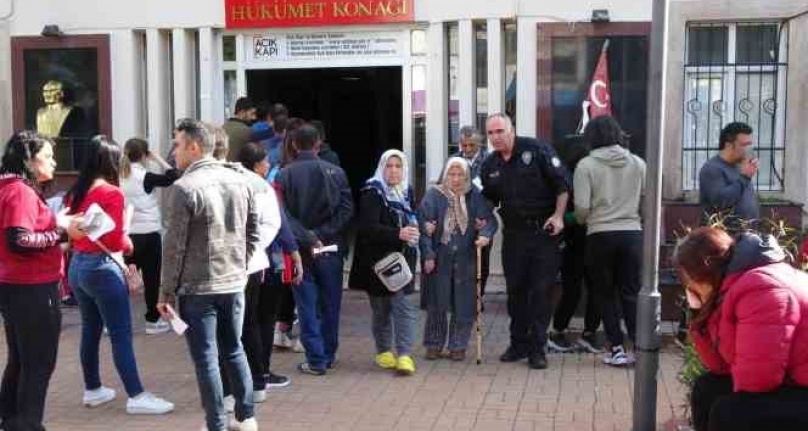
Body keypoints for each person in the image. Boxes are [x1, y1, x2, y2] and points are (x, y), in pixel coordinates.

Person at [157, 119, 260, 431]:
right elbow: (253, 231)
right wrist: (240, 263)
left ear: (194, 146)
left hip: (198, 286)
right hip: (232, 281)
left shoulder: (184, 187)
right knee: (234, 348)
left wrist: (166, 292)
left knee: (207, 358)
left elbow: (173, 247)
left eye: (176, 144)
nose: (172, 152)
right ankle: (246, 416)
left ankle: (217, 422)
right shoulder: (241, 180)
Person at [65, 135, 174, 415]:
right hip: (103, 267)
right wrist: (127, 239)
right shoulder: (111, 193)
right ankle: (136, 395)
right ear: (110, 161)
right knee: (120, 334)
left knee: (90, 330)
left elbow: (70, 231)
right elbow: (116, 242)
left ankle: (93, 389)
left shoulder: (76, 191)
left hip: (78, 266)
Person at [676, 227, 808, 431]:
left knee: (731, 413)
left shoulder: (762, 288)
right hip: (795, 383)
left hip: (800, 387)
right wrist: (698, 314)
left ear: (704, 273)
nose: (689, 287)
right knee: (708, 388)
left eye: (689, 279)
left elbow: (758, 381)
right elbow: (719, 367)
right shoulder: (736, 285)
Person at [0, 131, 83, 431]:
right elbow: (19, 239)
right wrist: (61, 234)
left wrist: (57, 230)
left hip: (18, 285)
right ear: (29, 160)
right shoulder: (19, 191)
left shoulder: (10, 187)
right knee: (37, 363)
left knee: (21, 360)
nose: (53, 161)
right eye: (47, 156)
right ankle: (27, 424)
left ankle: (12, 420)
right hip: (32, 287)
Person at [480, 113, 569, 370]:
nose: (496, 137)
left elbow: (562, 185)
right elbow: (489, 197)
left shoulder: (537, 150)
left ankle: (538, 348)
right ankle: (518, 343)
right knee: (516, 291)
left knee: (540, 292)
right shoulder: (490, 165)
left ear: (512, 130)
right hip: (515, 236)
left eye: (500, 131)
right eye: (491, 133)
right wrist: (482, 217)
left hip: (544, 234)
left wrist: (559, 216)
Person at [279, 124, 354, 375]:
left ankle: (316, 359)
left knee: (306, 305)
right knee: (330, 304)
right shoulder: (337, 172)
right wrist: (320, 235)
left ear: (294, 144)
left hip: (299, 250)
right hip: (330, 247)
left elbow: (284, 216)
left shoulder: (284, 174)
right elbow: (346, 210)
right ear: (318, 144)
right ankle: (328, 354)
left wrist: (307, 236)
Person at [573, 116, 646, 366]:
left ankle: (616, 348)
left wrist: (586, 219)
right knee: (631, 292)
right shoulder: (638, 163)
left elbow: (581, 207)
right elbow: (646, 200)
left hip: (600, 234)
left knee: (604, 294)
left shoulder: (586, 165)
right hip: (632, 233)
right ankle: (639, 346)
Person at [419, 157, 498, 361]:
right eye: (452, 174)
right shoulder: (433, 195)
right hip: (440, 257)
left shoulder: (474, 196)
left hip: (466, 258)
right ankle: (434, 343)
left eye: (460, 175)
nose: (455, 179)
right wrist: (428, 254)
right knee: (437, 303)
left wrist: (485, 234)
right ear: (446, 175)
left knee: (464, 304)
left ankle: (458, 345)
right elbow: (423, 227)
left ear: (467, 176)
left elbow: (489, 220)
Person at [348, 150, 419, 375]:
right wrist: (398, 234)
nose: (394, 171)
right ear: (382, 168)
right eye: (389, 166)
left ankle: (405, 355)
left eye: (398, 166)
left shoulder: (406, 192)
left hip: (402, 261)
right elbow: (368, 228)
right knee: (381, 310)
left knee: (404, 307)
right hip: (377, 263)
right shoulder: (373, 192)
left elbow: (413, 220)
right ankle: (383, 350)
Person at [229, 142, 284, 402]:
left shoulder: (228, 178)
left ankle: (237, 385)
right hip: (250, 264)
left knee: (232, 326)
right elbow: (272, 223)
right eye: (265, 160)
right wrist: (251, 247)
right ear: (256, 163)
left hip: (228, 263)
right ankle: (257, 381)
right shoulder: (261, 186)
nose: (269, 164)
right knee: (248, 322)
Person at [548, 134, 603, 354]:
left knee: (573, 289)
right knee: (596, 288)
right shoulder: (594, 174)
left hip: (573, 241)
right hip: (594, 237)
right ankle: (590, 333)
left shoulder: (564, 177)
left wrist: (567, 220)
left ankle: (559, 330)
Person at [120, 138, 170, 335]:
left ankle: (114, 320)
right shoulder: (145, 176)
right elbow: (173, 176)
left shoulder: (118, 175)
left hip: (127, 234)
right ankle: (152, 320)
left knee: (125, 279)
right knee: (151, 278)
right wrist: (157, 158)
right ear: (144, 155)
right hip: (149, 234)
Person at [452, 126, 492, 298]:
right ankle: (461, 297)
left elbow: (496, 190)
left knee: (481, 262)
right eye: (464, 145)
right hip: (457, 218)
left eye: (471, 145)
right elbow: (442, 187)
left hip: (481, 220)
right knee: (459, 260)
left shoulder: (490, 161)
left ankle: (477, 297)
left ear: (480, 144)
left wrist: (485, 213)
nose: (467, 149)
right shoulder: (453, 160)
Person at [698, 122, 759, 230]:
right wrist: (745, 177)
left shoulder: (740, 166)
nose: (748, 149)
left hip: (746, 235)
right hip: (724, 238)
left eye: (750, 145)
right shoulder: (712, 169)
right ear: (728, 145)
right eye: (744, 145)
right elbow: (721, 202)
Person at [223, 97, 257, 161]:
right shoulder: (247, 131)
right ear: (242, 113)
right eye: (252, 114)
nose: (254, 118)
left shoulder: (223, 127)